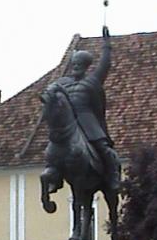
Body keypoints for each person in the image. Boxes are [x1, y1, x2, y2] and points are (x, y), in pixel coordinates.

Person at [49, 26, 120, 190]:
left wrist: (107, 44)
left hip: (88, 122)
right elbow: (49, 94)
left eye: (79, 64)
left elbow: (105, 64)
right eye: (74, 64)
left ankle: (113, 176)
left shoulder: (92, 81)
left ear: (86, 66)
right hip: (68, 122)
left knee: (104, 149)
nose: (76, 67)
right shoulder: (62, 82)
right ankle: (55, 178)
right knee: (53, 149)